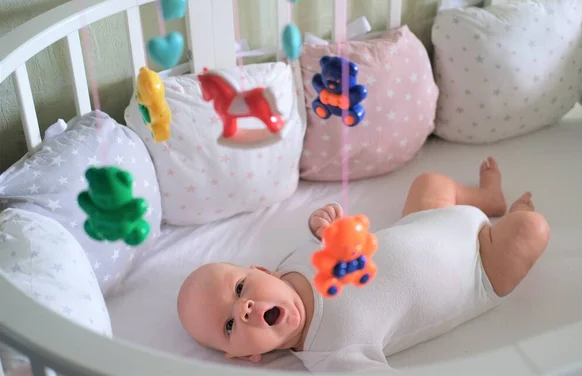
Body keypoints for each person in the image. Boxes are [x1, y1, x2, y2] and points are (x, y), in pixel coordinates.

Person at [177, 157, 550, 372]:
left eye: (240, 288)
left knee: (429, 181)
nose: (243, 309)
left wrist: (322, 224)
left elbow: (329, 242)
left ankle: (487, 199)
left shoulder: (289, 264)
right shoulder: (331, 353)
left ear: (261, 271)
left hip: (427, 220)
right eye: (229, 325)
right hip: (478, 268)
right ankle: (510, 219)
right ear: (247, 357)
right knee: (529, 230)